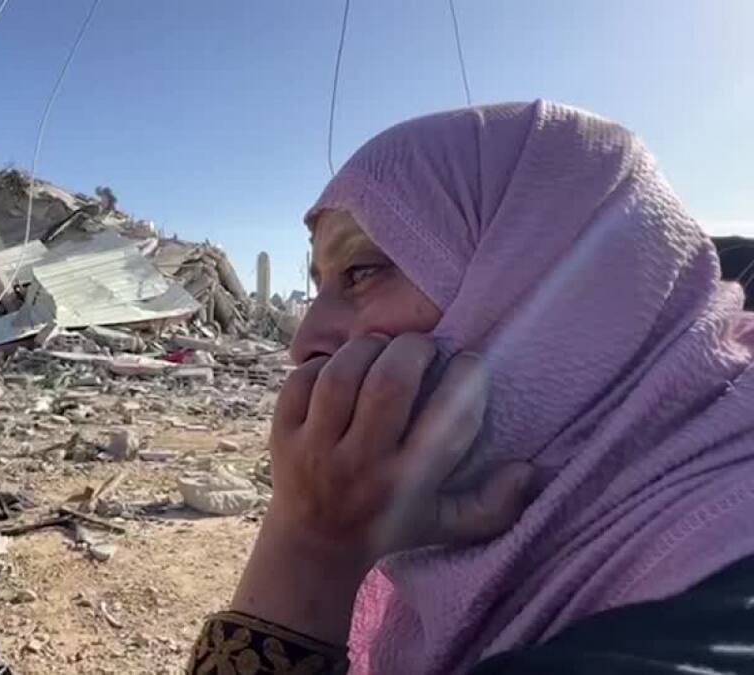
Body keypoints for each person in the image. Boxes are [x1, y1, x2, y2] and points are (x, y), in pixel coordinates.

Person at [188, 100, 754, 674]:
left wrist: (311, 550)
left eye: (361, 271)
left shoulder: (700, 621)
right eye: (319, 285)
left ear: (548, 282)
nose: (303, 341)